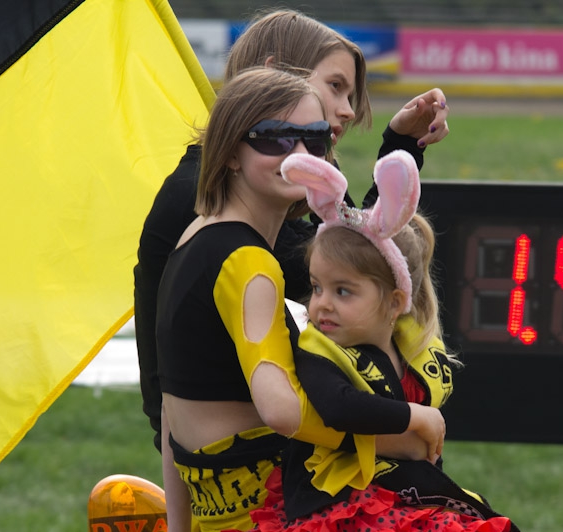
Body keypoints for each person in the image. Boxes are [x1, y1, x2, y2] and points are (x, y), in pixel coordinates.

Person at [84, 67, 440, 532]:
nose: (297, 155)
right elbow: (283, 412)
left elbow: (171, 406)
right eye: (275, 138)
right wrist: (408, 424)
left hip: (224, 518)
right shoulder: (252, 264)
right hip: (278, 514)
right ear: (229, 152)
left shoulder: (196, 236)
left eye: (314, 140)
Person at [219, 151, 560, 532]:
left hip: (393, 501)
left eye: (344, 291)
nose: (321, 304)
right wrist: (416, 419)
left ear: (396, 302)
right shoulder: (319, 352)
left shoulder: (409, 351)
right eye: (318, 287)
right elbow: (339, 407)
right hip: (338, 513)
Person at [134, 8, 451, 453]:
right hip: (246, 452)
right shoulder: (220, 210)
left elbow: (350, 256)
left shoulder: (231, 183)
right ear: (275, 73)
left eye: (316, 141)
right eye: (336, 86)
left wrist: (401, 147)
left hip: (232, 441)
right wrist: (403, 426)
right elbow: (359, 268)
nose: (347, 109)